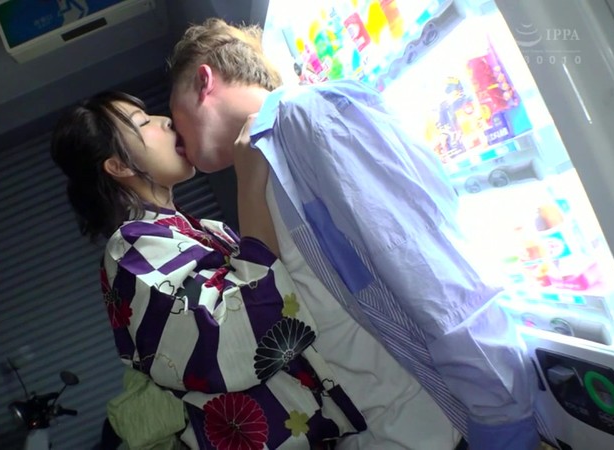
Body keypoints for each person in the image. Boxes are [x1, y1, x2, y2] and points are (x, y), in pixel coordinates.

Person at [167, 18, 546, 450]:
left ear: (205, 81)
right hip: (398, 432)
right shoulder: (266, 161)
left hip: (450, 427)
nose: (175, 136)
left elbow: (428, 271)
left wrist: (500, 417)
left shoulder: (306, 117)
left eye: (174, 117)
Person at [50, 91, 369, 449]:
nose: (165, 121)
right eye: (143, 122)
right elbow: (232, 333)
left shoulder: (200, 229)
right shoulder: (130, 248)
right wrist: (249, 183)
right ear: (119, 167)